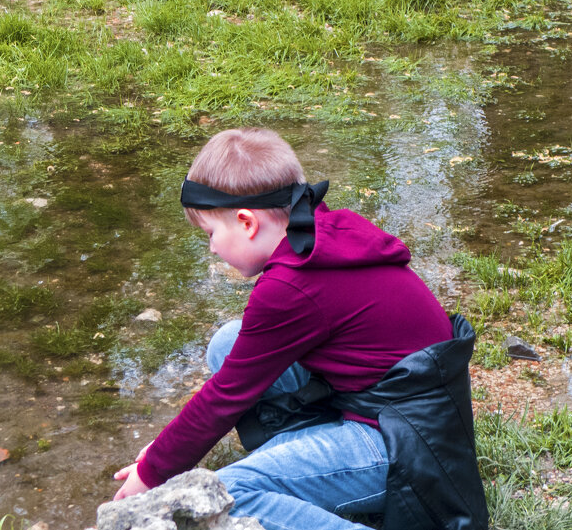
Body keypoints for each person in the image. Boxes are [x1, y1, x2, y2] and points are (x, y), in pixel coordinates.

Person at [111, 128, 487, 530]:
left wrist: (151, 473)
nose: (212, 248)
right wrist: (167, 449)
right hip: (405, 408)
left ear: (246, 222)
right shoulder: (323, 231)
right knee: (228, 343)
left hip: (404, 446)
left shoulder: (291, 286)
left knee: (229, 494)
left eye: (211, 233)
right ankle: (304, 458)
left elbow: (226, 396)